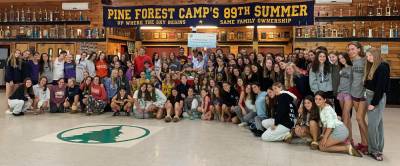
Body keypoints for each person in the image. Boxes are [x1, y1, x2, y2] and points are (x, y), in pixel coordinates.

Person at [314, 91, 362, 157]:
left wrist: (325, 138)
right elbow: (326, 124)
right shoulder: (321, 107)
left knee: (322, 147)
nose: (317, 101)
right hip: (338, 130)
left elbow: (330, 126)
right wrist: (323, 135)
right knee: (321, 143)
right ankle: (345, 144)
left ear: (324, 100)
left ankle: (347, 148)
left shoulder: (327, 110)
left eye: (320, 99)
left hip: (339, 131)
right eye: (316, 99)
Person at [364, 47, 390, 161]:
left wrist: (374, 103)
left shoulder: (382, 67)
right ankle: (373, 149)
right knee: (377, 125)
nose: (369, 58)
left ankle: (376, 151)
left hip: (376, 98)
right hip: (370, 96)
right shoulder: (373, 65)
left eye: (370, 55)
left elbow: (380, 87)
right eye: (367, 56)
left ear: (376, 55)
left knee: (373, 126)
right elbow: (371, 83)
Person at [348, 41, 368, 154]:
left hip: (363, 94)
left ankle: (371, 144)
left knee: (360, 118)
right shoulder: (352, 62)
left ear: (359, 49)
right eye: (349, 50)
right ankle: (364, 143)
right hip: (354, 93)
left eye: (353, 49)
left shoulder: (365, 60)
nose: (350, 51)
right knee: (360, 121)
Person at [337, 52, 354, 144]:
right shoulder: (342, 68)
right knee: (345, 117)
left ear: (346, 58)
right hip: (341, 93)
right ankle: (349, 138)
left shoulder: (352, 68)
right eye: (339, 58)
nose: (341, 60)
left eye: (342, 58)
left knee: (345, 115)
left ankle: (346, 138)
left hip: (349, 94)